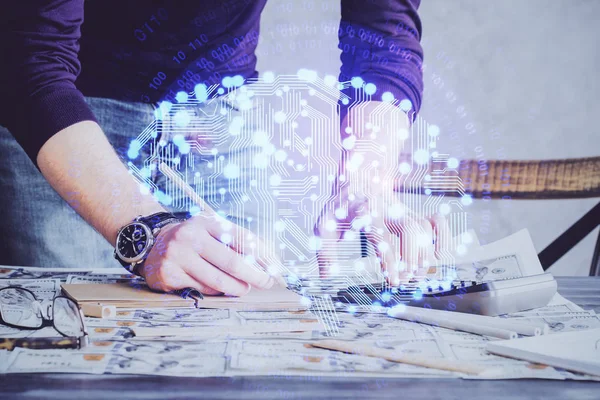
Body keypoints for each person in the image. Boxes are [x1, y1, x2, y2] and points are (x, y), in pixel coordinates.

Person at [0, 0, 447, 296]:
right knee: (65, 339)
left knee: (238, 338)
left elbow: (384, 38)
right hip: (64, 122)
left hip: (220, 123)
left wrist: (366, 182)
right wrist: (145, 230)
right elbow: (29, 59)